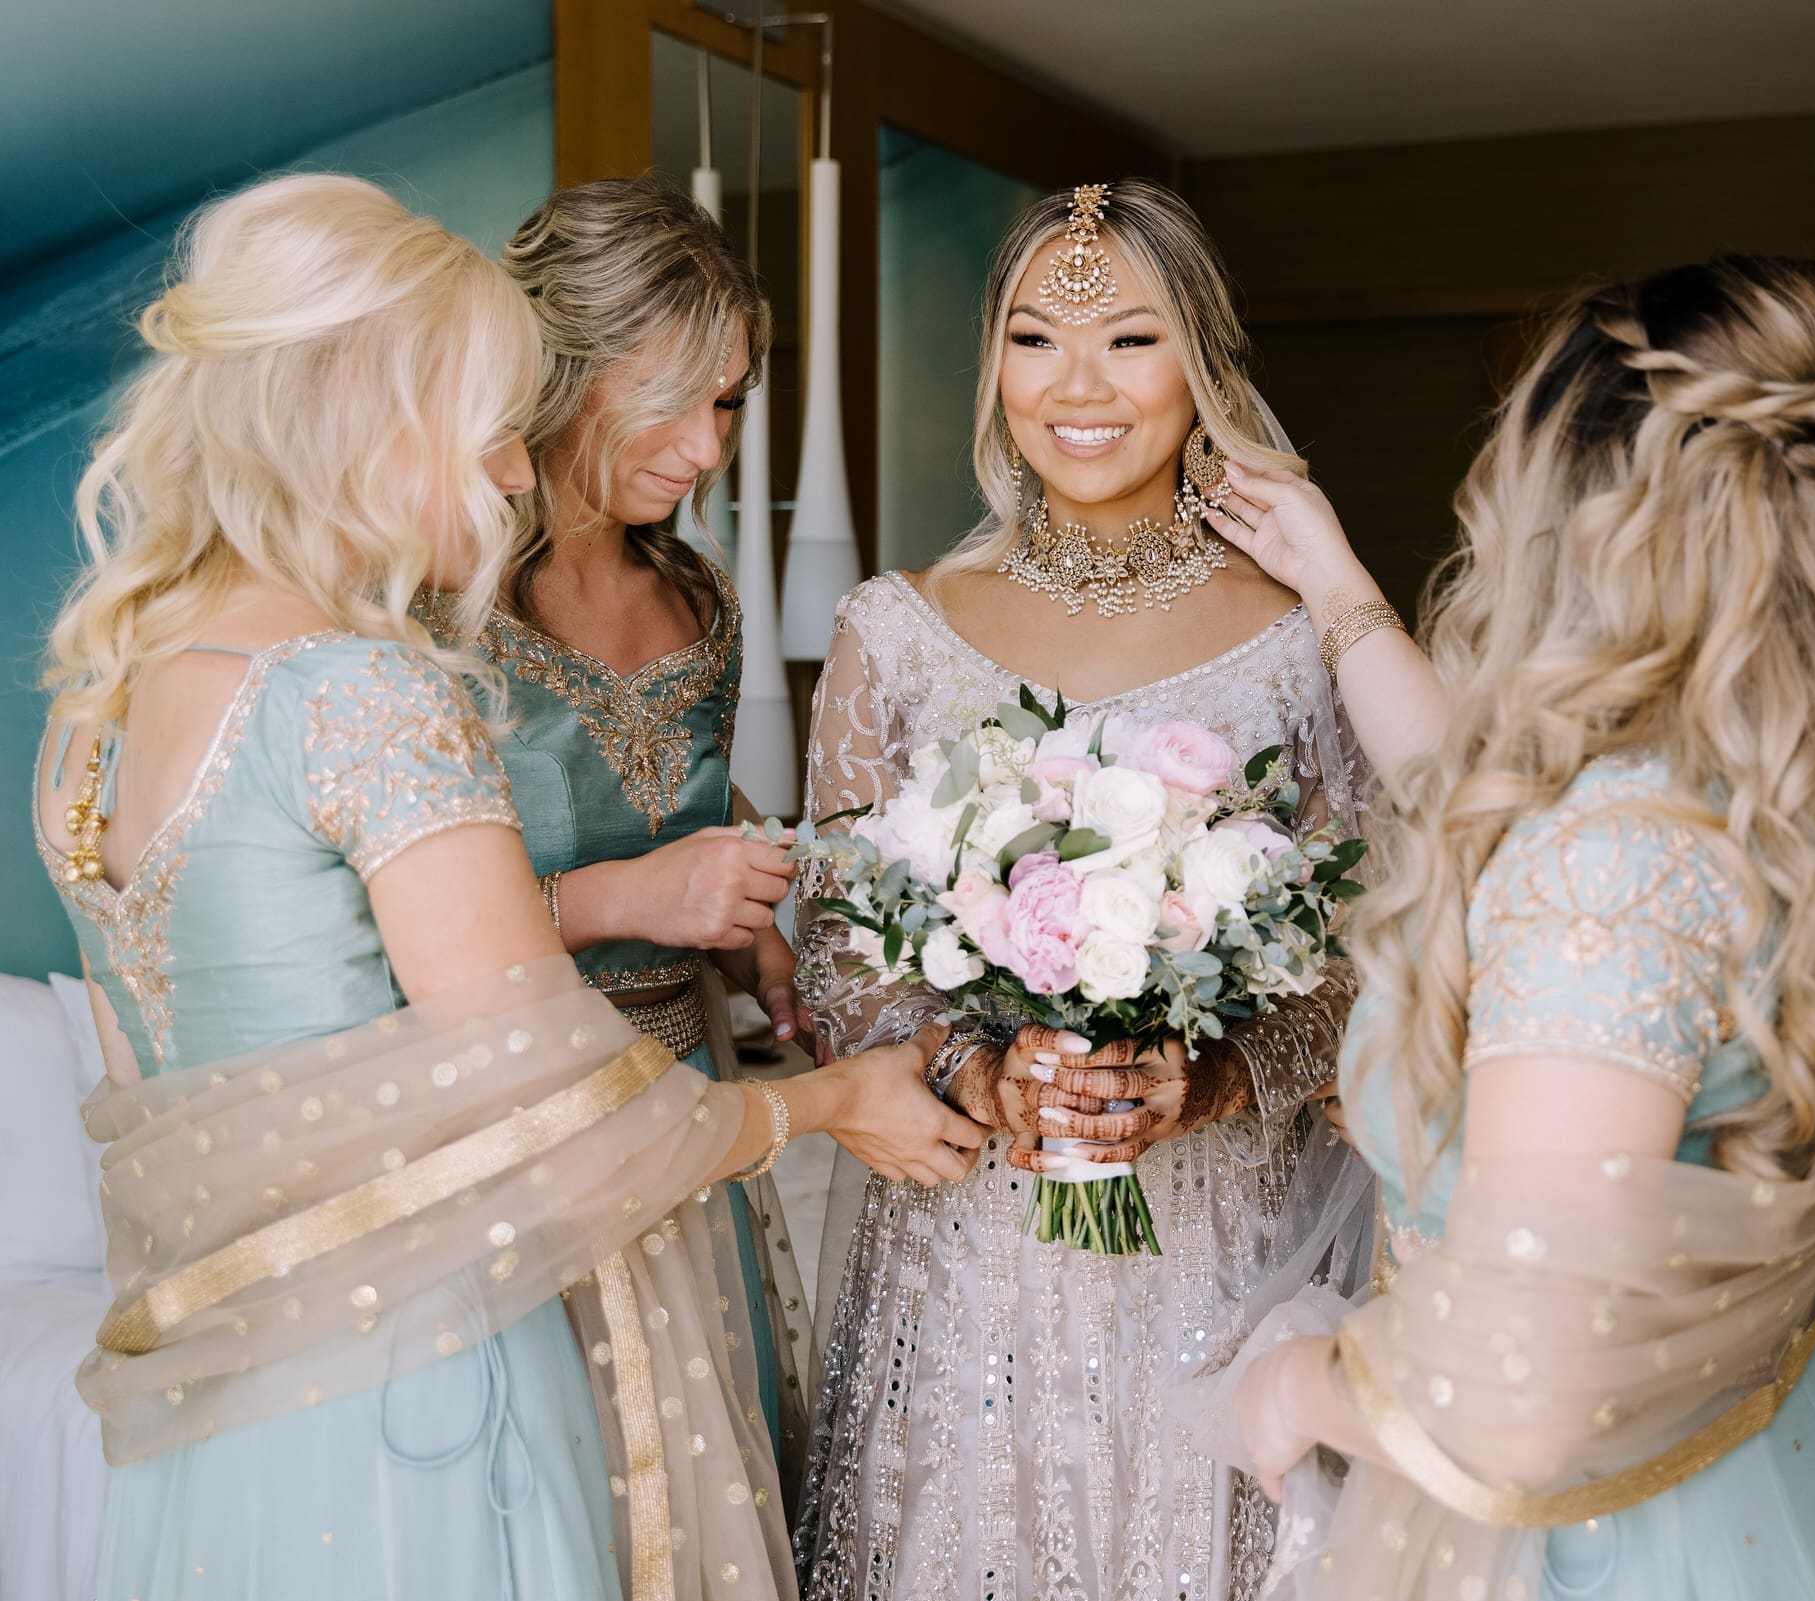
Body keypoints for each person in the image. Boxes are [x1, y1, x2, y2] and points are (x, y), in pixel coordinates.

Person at [34, 171, 845, 1601]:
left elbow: (151, 1102)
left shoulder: (93, 709)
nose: (519, 470)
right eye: (490, 426)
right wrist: (830, 1106)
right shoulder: (366, 688)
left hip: (228, 1367)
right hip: (429, 1335)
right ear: (367, 419)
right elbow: (543, 1091)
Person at [1217, 258, 1815, 1598]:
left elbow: (1525, 1393)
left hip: (1608, 1540)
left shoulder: (1604, 864)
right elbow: (1466, 796)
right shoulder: (1749, 787)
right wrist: (1334, 586)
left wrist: (1295, 1388)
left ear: (1569, 515)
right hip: (1768, 1457)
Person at [789, 179, 1376, 1601]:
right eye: (1035, 339)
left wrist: (1214, 1076)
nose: (1078, 387)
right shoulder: (898, 629)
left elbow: (1371, 953)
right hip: (970, 1251)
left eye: (1128, 338)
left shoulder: (1304, 640)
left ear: (1205, 360)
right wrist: (981, 1071)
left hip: (1225, 1242)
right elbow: (836, 941)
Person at [424, 177, 989, 1485]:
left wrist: (746, 927)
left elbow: (673, 789)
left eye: (728, 401)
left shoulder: (698, 599)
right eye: (671, 399)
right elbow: (368, 935)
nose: (707, 446)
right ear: (556, 371)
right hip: (505, 1138)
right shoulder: (431, 609)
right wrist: (630, 896)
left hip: (692, 1114)